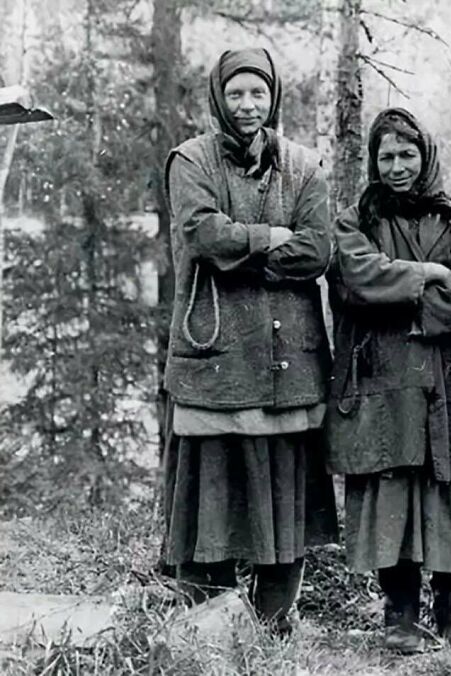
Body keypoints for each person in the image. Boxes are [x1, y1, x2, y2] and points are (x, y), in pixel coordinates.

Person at [161, 47, 338, 635]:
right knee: (211, 491)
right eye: (236, 93)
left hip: (289, 364)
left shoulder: (304, 166)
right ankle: (206, 624)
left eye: (257, 93)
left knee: (283, 494)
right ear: (218, 97)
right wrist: (270, 238)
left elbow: (318, 249)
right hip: (216, 357)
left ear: (274, 97)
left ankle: (273, 623)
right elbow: (203, 234)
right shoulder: (191, 160)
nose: (247, 105)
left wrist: (245, 253)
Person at [325, 108, 451, 652]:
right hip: (383, 374)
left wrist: (407, 302)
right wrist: (428, 274)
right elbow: (357, 279)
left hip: (447, 378)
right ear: (374, 162)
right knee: (390, 485)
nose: (397, 167)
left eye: (407, 155)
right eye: (387, 156)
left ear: (425, 157)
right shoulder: (357, 219)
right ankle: (399, 612)